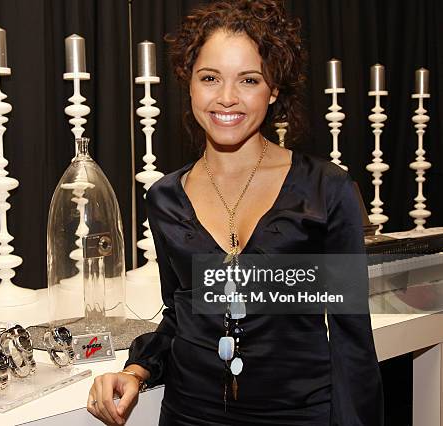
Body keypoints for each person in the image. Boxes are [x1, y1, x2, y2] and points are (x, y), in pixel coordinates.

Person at [86, 1, 384, 425]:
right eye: (210, 78)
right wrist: (136, 369)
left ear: (274, 89)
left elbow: (352, 337)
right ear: (190, 83)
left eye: (248, 80)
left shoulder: (325, 188)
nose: (227, 97)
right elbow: (180, 314)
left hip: (300, 416)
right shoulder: (166, 197)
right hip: (192, 414)